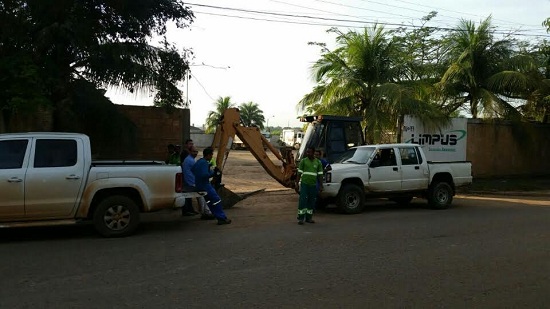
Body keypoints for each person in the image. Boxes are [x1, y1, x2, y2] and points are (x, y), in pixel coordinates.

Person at [192, 147, 232, 225]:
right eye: (211, 155)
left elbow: (193, 170)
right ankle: (221, 218)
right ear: (208, 155)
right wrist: (212, 173)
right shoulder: (204, 163)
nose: (211, 157)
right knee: (216, 200)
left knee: (210, 201)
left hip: (199, 185)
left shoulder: (199, 162)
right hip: (205, 185)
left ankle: (215, 215)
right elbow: (205, 175)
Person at [182, 146, 215, 220]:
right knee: (203, 196)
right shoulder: (193, 161)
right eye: (194, 151)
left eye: (196, 151)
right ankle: (205, 212)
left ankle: (203, 212)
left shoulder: (191, 160)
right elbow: (200, 173)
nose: (196, 153)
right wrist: (212, 173)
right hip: (193, 182)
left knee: (200, 197)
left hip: (191, 181)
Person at [295, 146, 324, 225]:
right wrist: (296, 183)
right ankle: (300, 218)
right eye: (307, 152)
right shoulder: (303, 161)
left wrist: (321, 185)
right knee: (302, 201)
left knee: (311, 201)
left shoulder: (318, 162)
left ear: (313, 152)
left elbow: (320, 175)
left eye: (309, 152)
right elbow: (299, 173)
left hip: (313, 185)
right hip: (304, 184)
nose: (308, 153)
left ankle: (309, 218)